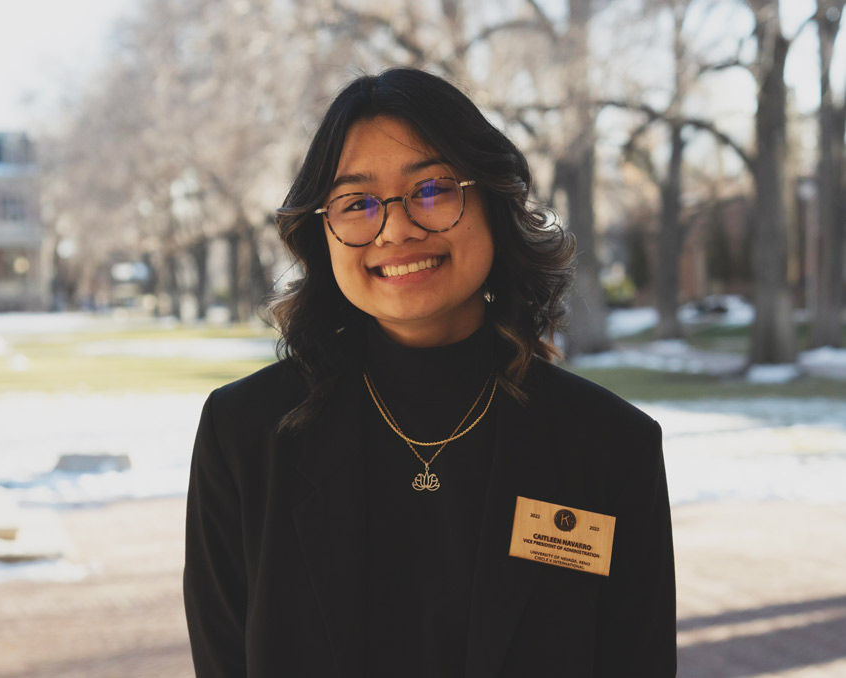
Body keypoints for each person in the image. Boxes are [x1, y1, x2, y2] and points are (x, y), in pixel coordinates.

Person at [184, 68, 676, 677]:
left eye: (434, 190)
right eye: (357, 203)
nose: (396, 229)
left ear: (494, 203)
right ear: (323, 232)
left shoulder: (610, 445)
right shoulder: (243, 435)